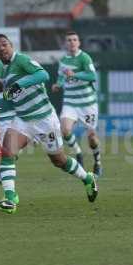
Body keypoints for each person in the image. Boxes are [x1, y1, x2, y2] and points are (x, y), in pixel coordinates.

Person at [0, 33, 98, 214]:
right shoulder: (3, 72)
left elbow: (43, 74)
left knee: (59, 160)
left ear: (11, 46)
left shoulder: (21, 60)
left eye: (4, 45)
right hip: (23, 119)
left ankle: (87, 178)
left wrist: (20, 83)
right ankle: (10, 199)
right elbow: (10, 102)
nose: (2, 49)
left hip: (45, 119)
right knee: (7, 152)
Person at [52, 31, 102, 177]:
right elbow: (62, 77)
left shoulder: (84, 57)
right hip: (70, 102)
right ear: (65, 44)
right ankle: (78, 153)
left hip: (87, 103)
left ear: (78, 43)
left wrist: (75, 74)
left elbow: (92, 76)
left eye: (74, 40)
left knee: (92, 137)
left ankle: (97, 162)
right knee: (65, 130)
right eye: (69, 40)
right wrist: (58, 84)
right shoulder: (63, 61)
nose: (72, 42)